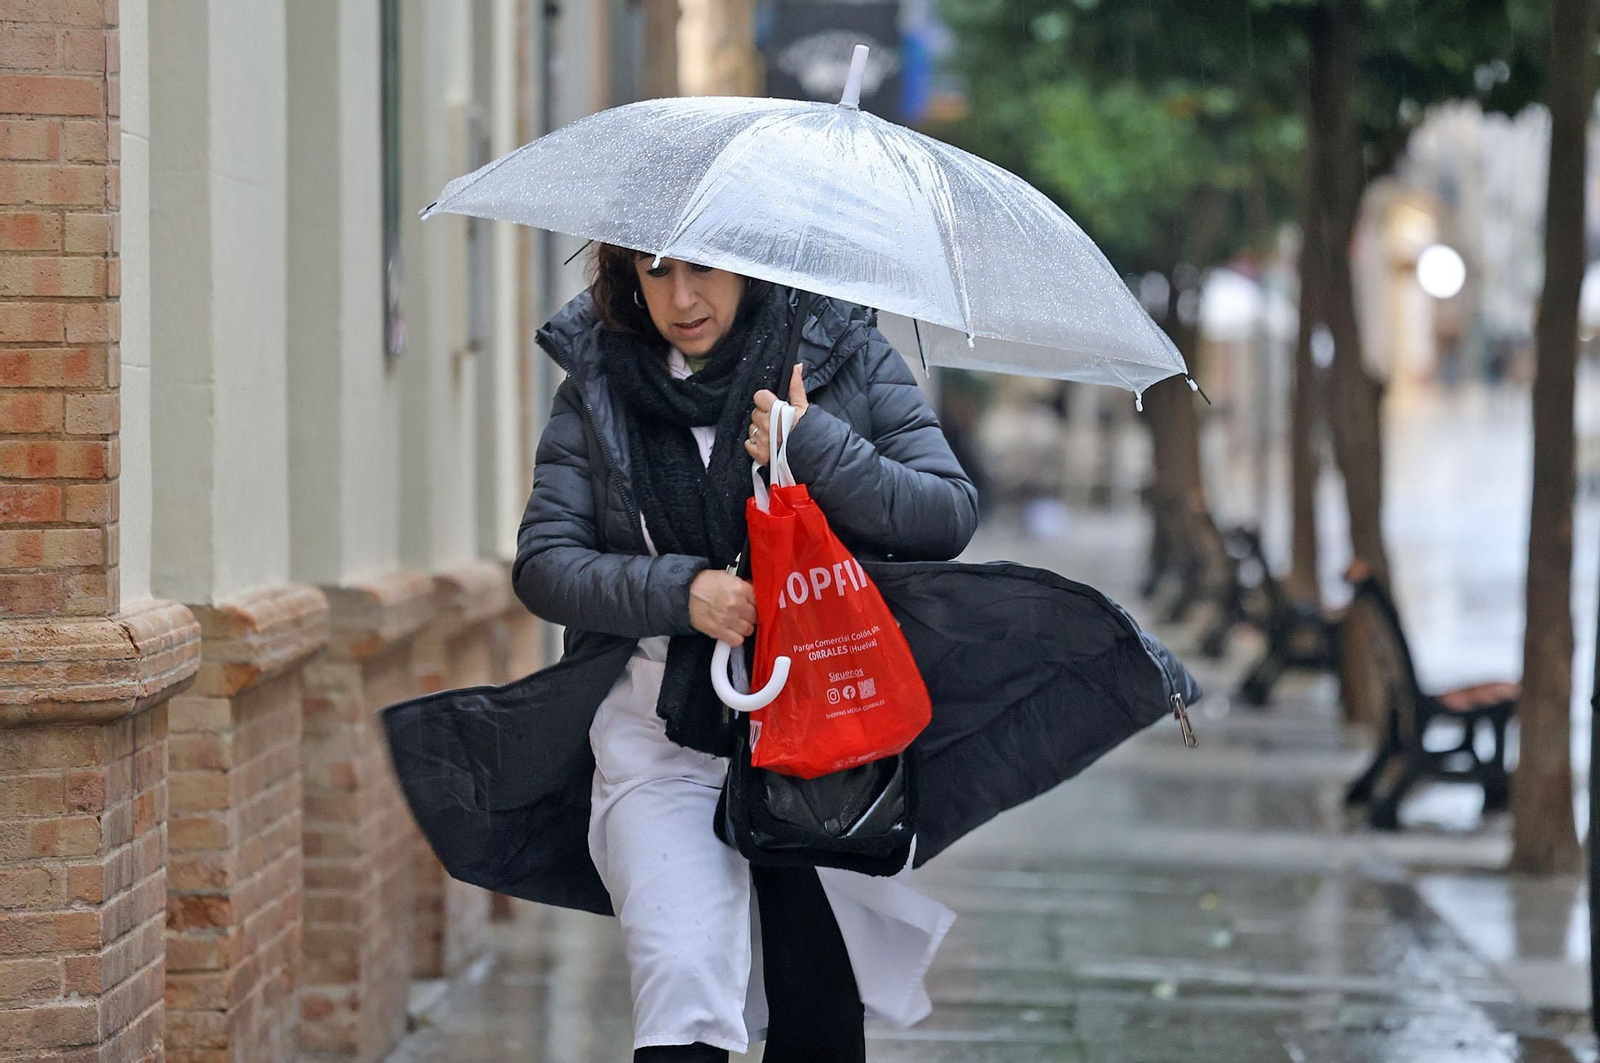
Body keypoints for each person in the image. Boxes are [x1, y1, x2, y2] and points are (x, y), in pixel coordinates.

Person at [514, 245, 978, 1061]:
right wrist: (683, 592)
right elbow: (547, 564)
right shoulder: (598, 384)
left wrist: (816, 445)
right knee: (682, 987)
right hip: (661, 735)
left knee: (818, 1005)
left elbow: (946, 513)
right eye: (656, 273)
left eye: (703, 269)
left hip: (819, 738)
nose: (682, 297)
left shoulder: (841, 354)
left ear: (749, 266)